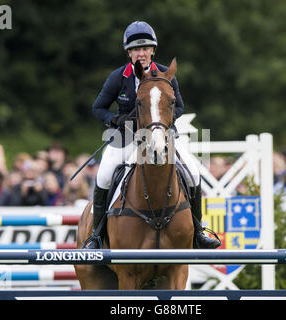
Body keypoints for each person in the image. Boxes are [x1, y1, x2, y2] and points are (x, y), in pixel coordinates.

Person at [86, 21, 221, 249]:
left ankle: (198, 232)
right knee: (104, 175)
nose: (141, 53)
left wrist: (160, 122)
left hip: (162, 137)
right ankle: (97, 236)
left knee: (193, 173)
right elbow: (98, 107)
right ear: (129, 52)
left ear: (152, 50)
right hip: (126, 138)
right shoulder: (118, 77)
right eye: (136, 49)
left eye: (146, 48)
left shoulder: (166, 75)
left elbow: (179, 107)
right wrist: (116, 120)